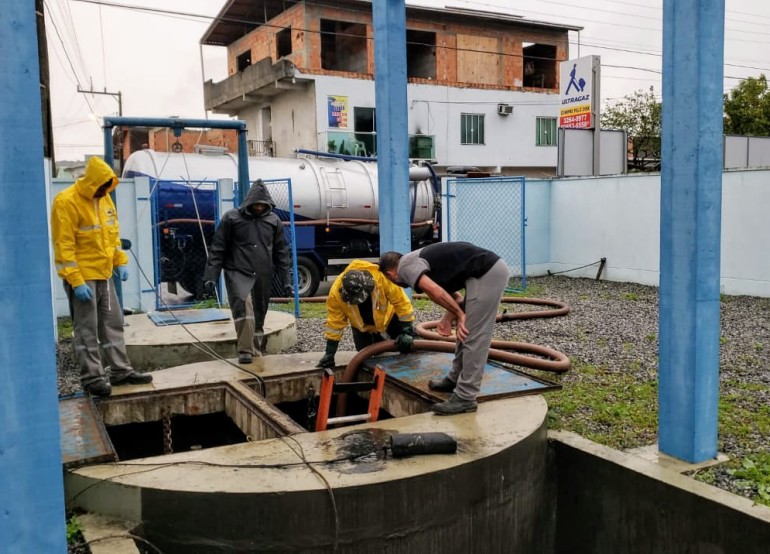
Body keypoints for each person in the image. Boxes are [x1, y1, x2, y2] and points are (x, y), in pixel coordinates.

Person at [51, 157, 153, 397]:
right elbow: (63, 246)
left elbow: (111, 235)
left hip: (105, 274)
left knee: (112, 324)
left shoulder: (105, 198)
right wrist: (75, 280)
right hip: (83, 277)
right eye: (101, 186)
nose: (103, 190)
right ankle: (92, 378)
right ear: (91, 183)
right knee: (87, 329)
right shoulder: (66, 202)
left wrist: (120, 262)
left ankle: (121, 371)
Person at [379, 242, 510, 415]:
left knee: (474, 336)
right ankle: (455, 379)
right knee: (465, 333)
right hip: (480, 274)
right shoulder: (416, 263)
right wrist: (447, 318)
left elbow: (433, 291)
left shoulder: (405, 267)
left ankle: (466, 397)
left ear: (390, 274)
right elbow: (454, 297)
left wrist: (460, 315)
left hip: (487, 273)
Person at [203, 180, 291, 364]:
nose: (259, 207)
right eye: (256, 204)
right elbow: (218, 248)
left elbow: (282, 252)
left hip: (262, 273)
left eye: (262, 204)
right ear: (249, 202)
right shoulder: (232, 219)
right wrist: (211, 276)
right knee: (244, 307)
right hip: (237, 271)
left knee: (259, 311)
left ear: (267, 204)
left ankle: (256, 349)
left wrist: (286, 281)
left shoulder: (273, 222)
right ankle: (245, 350)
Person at [317, 260, 416, 369]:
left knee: (404, 344)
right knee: (364, 354)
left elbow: (402, 303)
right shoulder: (336, 294)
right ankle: (379, 345)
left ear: (369, 288)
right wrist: (330, 353)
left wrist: (407, 331)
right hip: (361, 326)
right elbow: (335, 322)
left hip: (389, 318)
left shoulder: (382, 278)